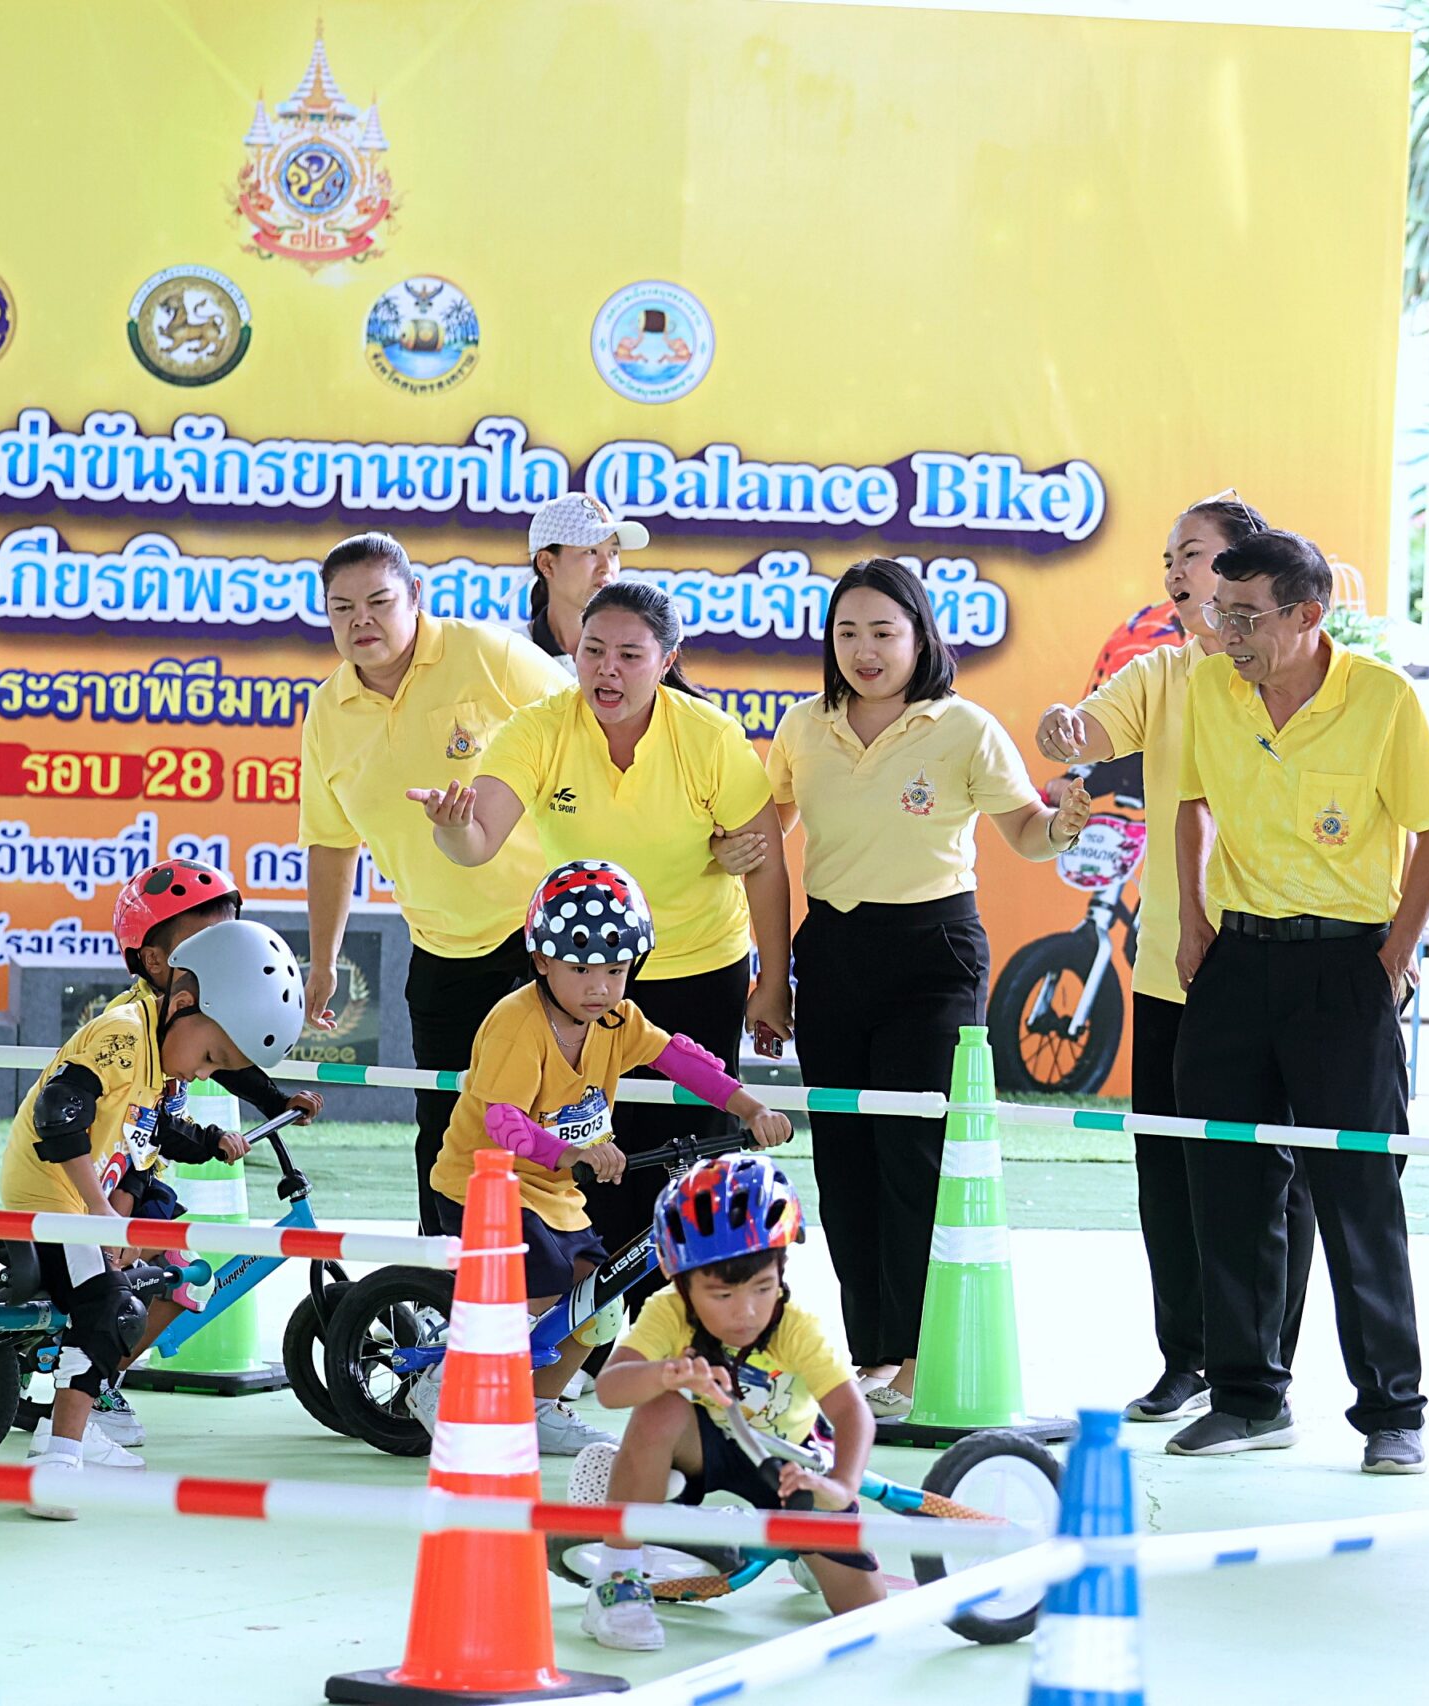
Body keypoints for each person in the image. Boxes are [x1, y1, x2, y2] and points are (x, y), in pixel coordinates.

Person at [410, 580, 794, 1329]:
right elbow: (477, 840)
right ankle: (593, 1336)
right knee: (592, 1150)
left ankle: (679, 1335)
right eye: (592, 650)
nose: (606, 669)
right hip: (586, 969)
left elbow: (766, 863)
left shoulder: (709, 736)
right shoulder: (537, 729)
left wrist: (772, 982)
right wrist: (452, 828)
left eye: (629, 654)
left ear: (667, 660)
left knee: (688, 1162)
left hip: (699, 962)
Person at [761, 558, 1093, 1420]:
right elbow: (772, 824)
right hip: (832, 952)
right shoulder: (804, 727)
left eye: (884, 631)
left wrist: (1061, 825)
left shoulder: (964, 727)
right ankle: (873, 1355)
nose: (864, 650)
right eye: (847, 633)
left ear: (921, 638)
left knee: (913, 1157)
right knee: (843, 1162)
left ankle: (919, 1358)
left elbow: (1025, 830)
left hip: (932, 955)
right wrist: (743, 867)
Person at [1168, 528, 1429, 1475]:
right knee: (1228, 1187)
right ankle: (1247, 1399)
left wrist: (1395, 955)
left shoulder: (1381, 699)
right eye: (1220, 613)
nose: (1228, 634)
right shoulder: (1211, 688)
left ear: (1307, 615)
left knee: (1357, 1194)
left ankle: (1392, 1412)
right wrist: (1193, 920)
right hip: (1235, 960)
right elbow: (1190, 802)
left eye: (1247, 618)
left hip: (1346, 968)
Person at [1033, 492, 1317, 1425]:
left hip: (1274, 962)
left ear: (1245, 572)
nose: (1174, 572)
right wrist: (1063, 731)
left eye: (1192, 553)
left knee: (1270, 1174)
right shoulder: (1160, 673)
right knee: (1168, 1173)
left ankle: (1262, 1366)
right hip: (1170, 967)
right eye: (1169, 558)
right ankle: (1185, 1360)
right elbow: (1089, 729)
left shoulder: (1304, 682)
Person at [417, 861, 792, 1455]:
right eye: (581, 969)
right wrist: (574, 1153)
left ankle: (539, 1406)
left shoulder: (617, 1019)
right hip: (484, 1184)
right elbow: (502, 1123)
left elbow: (678, 1059)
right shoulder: (517, 1025)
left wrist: (750, 1107)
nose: (600, 988)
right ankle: (441, 1383)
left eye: (615, 971)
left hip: (554, 1193)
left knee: (597, 1307)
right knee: (536, 1293)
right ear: (541, 961)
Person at [297, 532, 562, 1234]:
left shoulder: (488, 654)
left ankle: (559, 1280)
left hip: (544, 935)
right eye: (342, 608)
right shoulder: (327, 711)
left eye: (379, 601)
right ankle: (439, 1280)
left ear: (415, 596)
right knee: (445, 1128)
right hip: (442, 947)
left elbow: (585, 731)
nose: (362, 621)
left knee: (551, 1118)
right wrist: (323, 962)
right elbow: (331, 843)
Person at [4, 921, 304, 1510]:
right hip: (50, 1206)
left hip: (89, 1206)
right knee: (110, 1302)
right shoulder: (122, 1035)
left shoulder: (158, 1058)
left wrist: (212, 1140)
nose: (205, 1073)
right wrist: (99, 1212)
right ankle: (57, 1454)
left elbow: (156, 1130)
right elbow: (58, 1113)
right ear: (183, 1004)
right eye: (211, 1057)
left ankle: (80, 1415)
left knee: (178, 1276)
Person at [579, 1156, 880, 1649]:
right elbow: (611, 1389)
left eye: (763, 1287)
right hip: (708, 1442)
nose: (746, 1312)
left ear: (782, 1268)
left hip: (791, 1461)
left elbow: (852, 1412)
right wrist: (664, 1374)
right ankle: (618, 1580)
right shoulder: (668, 1311)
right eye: (721, 1295)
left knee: (865, 1611)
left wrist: (839, 1488)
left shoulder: (796, 1325)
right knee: (660, 1409)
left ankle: (803, 1547)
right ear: (679, 1278)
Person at [83, 858, 326, 1444]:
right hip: (105, 1178)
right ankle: (88, 1387)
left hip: (139, 1174)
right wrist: (211, 1140)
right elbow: (151, 1120)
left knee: (184, 1280)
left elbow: (231, 1063)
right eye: (206, 944)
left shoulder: (190, 1012)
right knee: (130, 1278)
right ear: (155, 960)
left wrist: (275, 1101)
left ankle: (100, 1375)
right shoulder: (133, 1027)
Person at [525, 492, 645, 661]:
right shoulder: (509, 654)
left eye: (613, 552)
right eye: (591, 551)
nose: (607, 567)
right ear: (547, 563)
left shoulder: (639, 654)